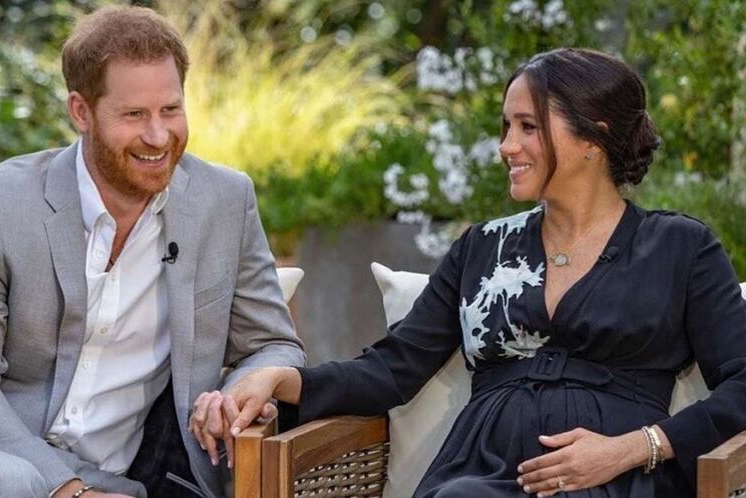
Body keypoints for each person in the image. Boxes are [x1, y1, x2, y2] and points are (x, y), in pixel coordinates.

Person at [217, 48, 746, 497]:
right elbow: (392, 369)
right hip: (481, 476)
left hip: (619, 480)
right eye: (506, 126)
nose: (506, 146)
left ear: (593, 138)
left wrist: (636, 448)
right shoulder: (482, 248)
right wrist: (282, 380)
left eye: (528, 127)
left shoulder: (680, 248)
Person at [0, 5, 304, 498]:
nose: (158, 136)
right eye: (134, 115)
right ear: (81, 112)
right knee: (14, 481)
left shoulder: (224, 201)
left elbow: (273, 343)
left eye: (170, 110)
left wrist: (244, 386)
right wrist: (67, 489)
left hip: (130, 481)